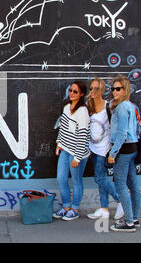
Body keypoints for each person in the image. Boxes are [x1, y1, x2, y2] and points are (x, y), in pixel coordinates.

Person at [86, 78, 124, 220]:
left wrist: (113, 149)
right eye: (91, 88)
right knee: (101, 178)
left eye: (96, 88)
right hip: (93, 148)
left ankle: (121, 201)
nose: (93, 91)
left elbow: (115, 128)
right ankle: (104, 208)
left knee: (99, 178)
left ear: (102, 90)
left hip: (104, 148)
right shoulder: (89, 106)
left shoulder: (109, 107)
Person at [107, 75, 141, 232]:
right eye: (113, 89)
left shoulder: (121, 108)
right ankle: (134, 218)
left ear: (125, 90)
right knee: (133, 184)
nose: (114, 92)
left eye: (118, 89)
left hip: (124, 148)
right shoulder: (131, 106)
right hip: (132, 148)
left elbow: (122, 133)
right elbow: (137, 128)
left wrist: (113, 152)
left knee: (120, 184)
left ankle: (128, 223)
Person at [53, 80, 90, 221]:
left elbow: (83, 135)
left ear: (81, 94)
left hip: (77, 153)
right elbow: (63, 128)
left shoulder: (83, 111)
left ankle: (74, 209)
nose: (72, 93)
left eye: (75, 91)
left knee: (76, 180)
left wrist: (78, 157)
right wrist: (59, 143)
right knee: (61, 178)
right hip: (65, 149)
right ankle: (66, 206)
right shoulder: (67, 107)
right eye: (70, 90)